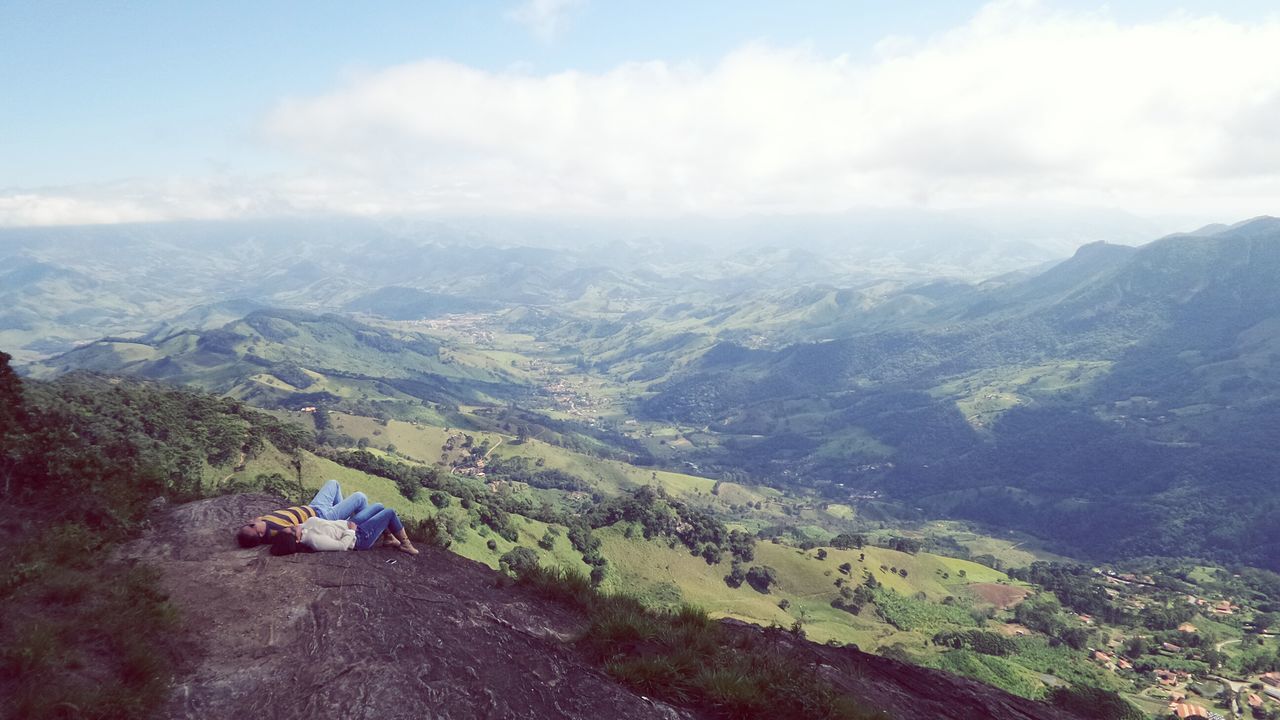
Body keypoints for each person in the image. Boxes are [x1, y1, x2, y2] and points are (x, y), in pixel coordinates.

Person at [236, 479, 370, 548]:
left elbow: (257, 519)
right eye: (252, 526)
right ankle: (361, 531)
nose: (252, 522)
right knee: (360, 497)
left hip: (314, 507)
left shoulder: (262, 522)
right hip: (322, 517)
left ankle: (342, 522)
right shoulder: (275, 532)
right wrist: (300, 528)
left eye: (250, 524)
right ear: (260, 535)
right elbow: (298, 534)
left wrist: (256, 522)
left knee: (333, 483)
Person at [269, 502, 418, 556]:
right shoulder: (313, 540)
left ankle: (389, 538)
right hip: (358, 538)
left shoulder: (303, 529)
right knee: (390, 512)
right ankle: (405, 544)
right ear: (296, 539)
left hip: (349, 524)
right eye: (292, 530)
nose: (294, 526)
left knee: (379, 506)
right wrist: (352, 531)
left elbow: (299, 525)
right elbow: (342, 546)